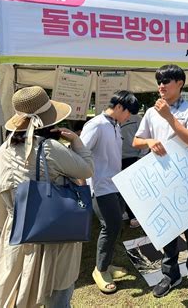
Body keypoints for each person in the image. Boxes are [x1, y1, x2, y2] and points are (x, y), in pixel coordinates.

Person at [0, 86, 94, 307]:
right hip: (54, 234)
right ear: (50, 120)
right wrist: (76, 141)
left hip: (17, 234)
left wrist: (10, 228)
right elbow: (86, 170)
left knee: (18, 295)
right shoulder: (50, 148)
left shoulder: (1, 154)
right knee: (57, 296)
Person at [132, 64, 188, 303]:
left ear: (180, 84)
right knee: (166, 226)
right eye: (159, 82)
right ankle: (170, 274)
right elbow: (136, 141)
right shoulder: (150, 112)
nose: (161, 86)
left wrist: (169, 117)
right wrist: (150, 141)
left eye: (167, 81)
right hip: (161, 177)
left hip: (186, 176)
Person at [80, 90, 139, 294]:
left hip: (115, 184)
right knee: (110, 226)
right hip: (99, 186)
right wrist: (83, 183)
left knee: (117, 227)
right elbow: (80, 152)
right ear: (120, 107)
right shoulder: (96, 125)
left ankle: (107, 264)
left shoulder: (115, 125)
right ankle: (100, 269)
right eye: (128, 113)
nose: (129, 118)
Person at [120, 113, 144, 228]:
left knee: (136, 189)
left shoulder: (137, 119)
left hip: (135, 158)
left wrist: (141, 158)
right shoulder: (115, 119)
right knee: (124, 189)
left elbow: (145, 138)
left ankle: (136, 216)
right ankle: (129, 213)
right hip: (120, 159)